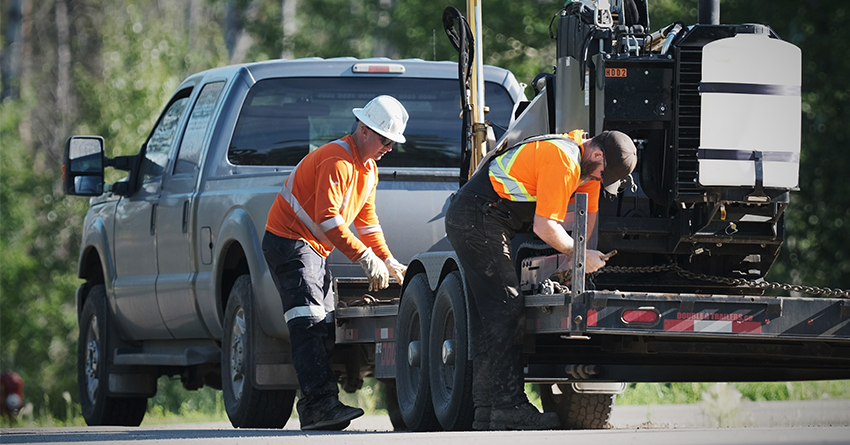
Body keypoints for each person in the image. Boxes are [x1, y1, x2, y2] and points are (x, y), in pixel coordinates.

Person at [445, 130, 637, 430]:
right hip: (476, 216)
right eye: (602, 175)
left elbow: (586, 225)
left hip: (484, 217)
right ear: (597, 155)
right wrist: (578, 255)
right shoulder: (562, 158)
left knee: (488, 320)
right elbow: (545, 226)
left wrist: (579, 263)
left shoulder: (589, 173)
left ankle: (486, 411)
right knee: (506, 309)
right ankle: (509, 408)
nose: (600, 180)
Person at [262, 95, 409, 431]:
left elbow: (367, 222)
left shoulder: (368, 169)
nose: (389, 148)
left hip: (310, 248)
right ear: (365, 130)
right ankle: (318, 406)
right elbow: (327, 218)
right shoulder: (337, 161)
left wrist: (387, 259)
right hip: (290, 243)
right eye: (386, 140)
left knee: (324, 322)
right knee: (309, 322)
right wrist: (363, 257)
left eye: (393, 143)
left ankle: (320, 405)